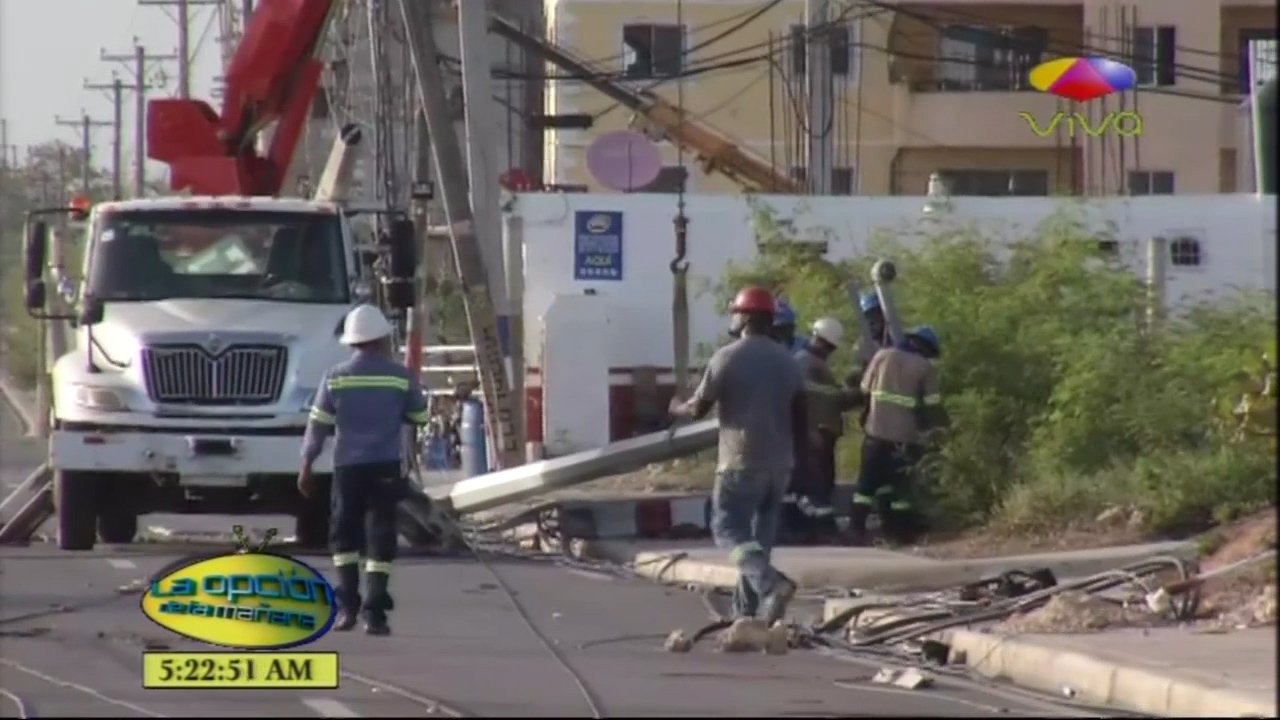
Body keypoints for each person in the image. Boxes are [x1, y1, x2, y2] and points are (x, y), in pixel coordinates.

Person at [670, 286, 807, 625]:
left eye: (735, 312)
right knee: (758, 541)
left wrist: (677, 408)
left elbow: (699, 408)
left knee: (727, 528)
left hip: (740, 461)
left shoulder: (727, 357)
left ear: (744, 317)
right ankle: (746, 613)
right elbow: (802, 415)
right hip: (779, 464)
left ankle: (771, 583)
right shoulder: (788, 361)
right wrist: (798, 460)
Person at [300, 304, 430, 635]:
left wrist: (306, 463)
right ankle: (375, 612)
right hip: (386, 466)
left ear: (351, 342)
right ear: (383, 338)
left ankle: (347, 609)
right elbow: (419, 417)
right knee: (380, 535)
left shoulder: (335, 377)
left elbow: (318, 426)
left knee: (344, 535)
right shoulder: (401, 377)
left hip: (347, 467)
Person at [848, 325, 945, 547]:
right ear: (926, 348)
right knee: (901, 488)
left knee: (866, 486)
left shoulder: (882, 356)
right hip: (905, 439)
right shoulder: (924, 368)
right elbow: (932, 406)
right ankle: (900, 532)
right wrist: (939, 431)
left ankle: (855, 531)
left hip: (874, 433)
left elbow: (864, 390)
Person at [787, 318, 863, 543]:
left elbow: (829, 395)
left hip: (819, 436)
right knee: (816, 487)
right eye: (829, 346)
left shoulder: (811, 363)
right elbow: (830, 399)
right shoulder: (807, 364)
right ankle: (825, 532)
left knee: (820, 486)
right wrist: (857, 391)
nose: (830, 351)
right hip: (813, 437)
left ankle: (815, 530)